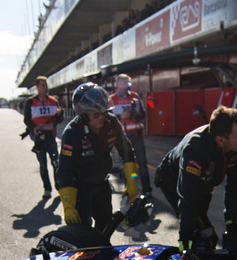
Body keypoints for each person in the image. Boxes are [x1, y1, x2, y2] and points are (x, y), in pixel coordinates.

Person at [153, 105, 237, 260]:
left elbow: (234, 185)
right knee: (204, 237)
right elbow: (187, 198)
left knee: (204, 232)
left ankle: (201, 256)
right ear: (221, 139)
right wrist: (185, 242)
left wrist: (231, 223)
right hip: (174, 181)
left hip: (204, 183)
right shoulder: (196, 150)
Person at [55, 82, 140, 234]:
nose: (101, 117)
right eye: (96, 114)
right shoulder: (73, 132)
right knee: (82, 230)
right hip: (80, 188)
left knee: (106, 226)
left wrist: (132, 182)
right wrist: (68, 206)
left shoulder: (112, 122)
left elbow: (127, 152)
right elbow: (65, 170)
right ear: (83, 115)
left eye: (103, 112)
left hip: (102, 185)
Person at [109, 73, 151, 195]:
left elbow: (143, 115)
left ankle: (147, 190)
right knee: (128, 163)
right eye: (122, 82)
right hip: (123, 135)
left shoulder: (135, 97)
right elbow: (108, 117)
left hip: (137, 134)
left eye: (126, 82)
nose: (124, 85)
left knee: (142, 162)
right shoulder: (112, 99)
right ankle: (131, 188)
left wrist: (134, 114)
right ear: (117, 84)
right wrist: (121, 116)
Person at [22, 76, 62, 198]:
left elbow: (59, 120)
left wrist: (60, 114)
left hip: (51, 137)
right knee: (43, 165)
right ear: (37, 87)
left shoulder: (53, 101)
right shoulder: (30, 102)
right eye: (43, 85)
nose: (45, 87)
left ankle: (59, 187)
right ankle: (47, 189)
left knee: (56, 163)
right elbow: (27, 119)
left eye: (46, 85)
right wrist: (33, 128)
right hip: (39, 139)